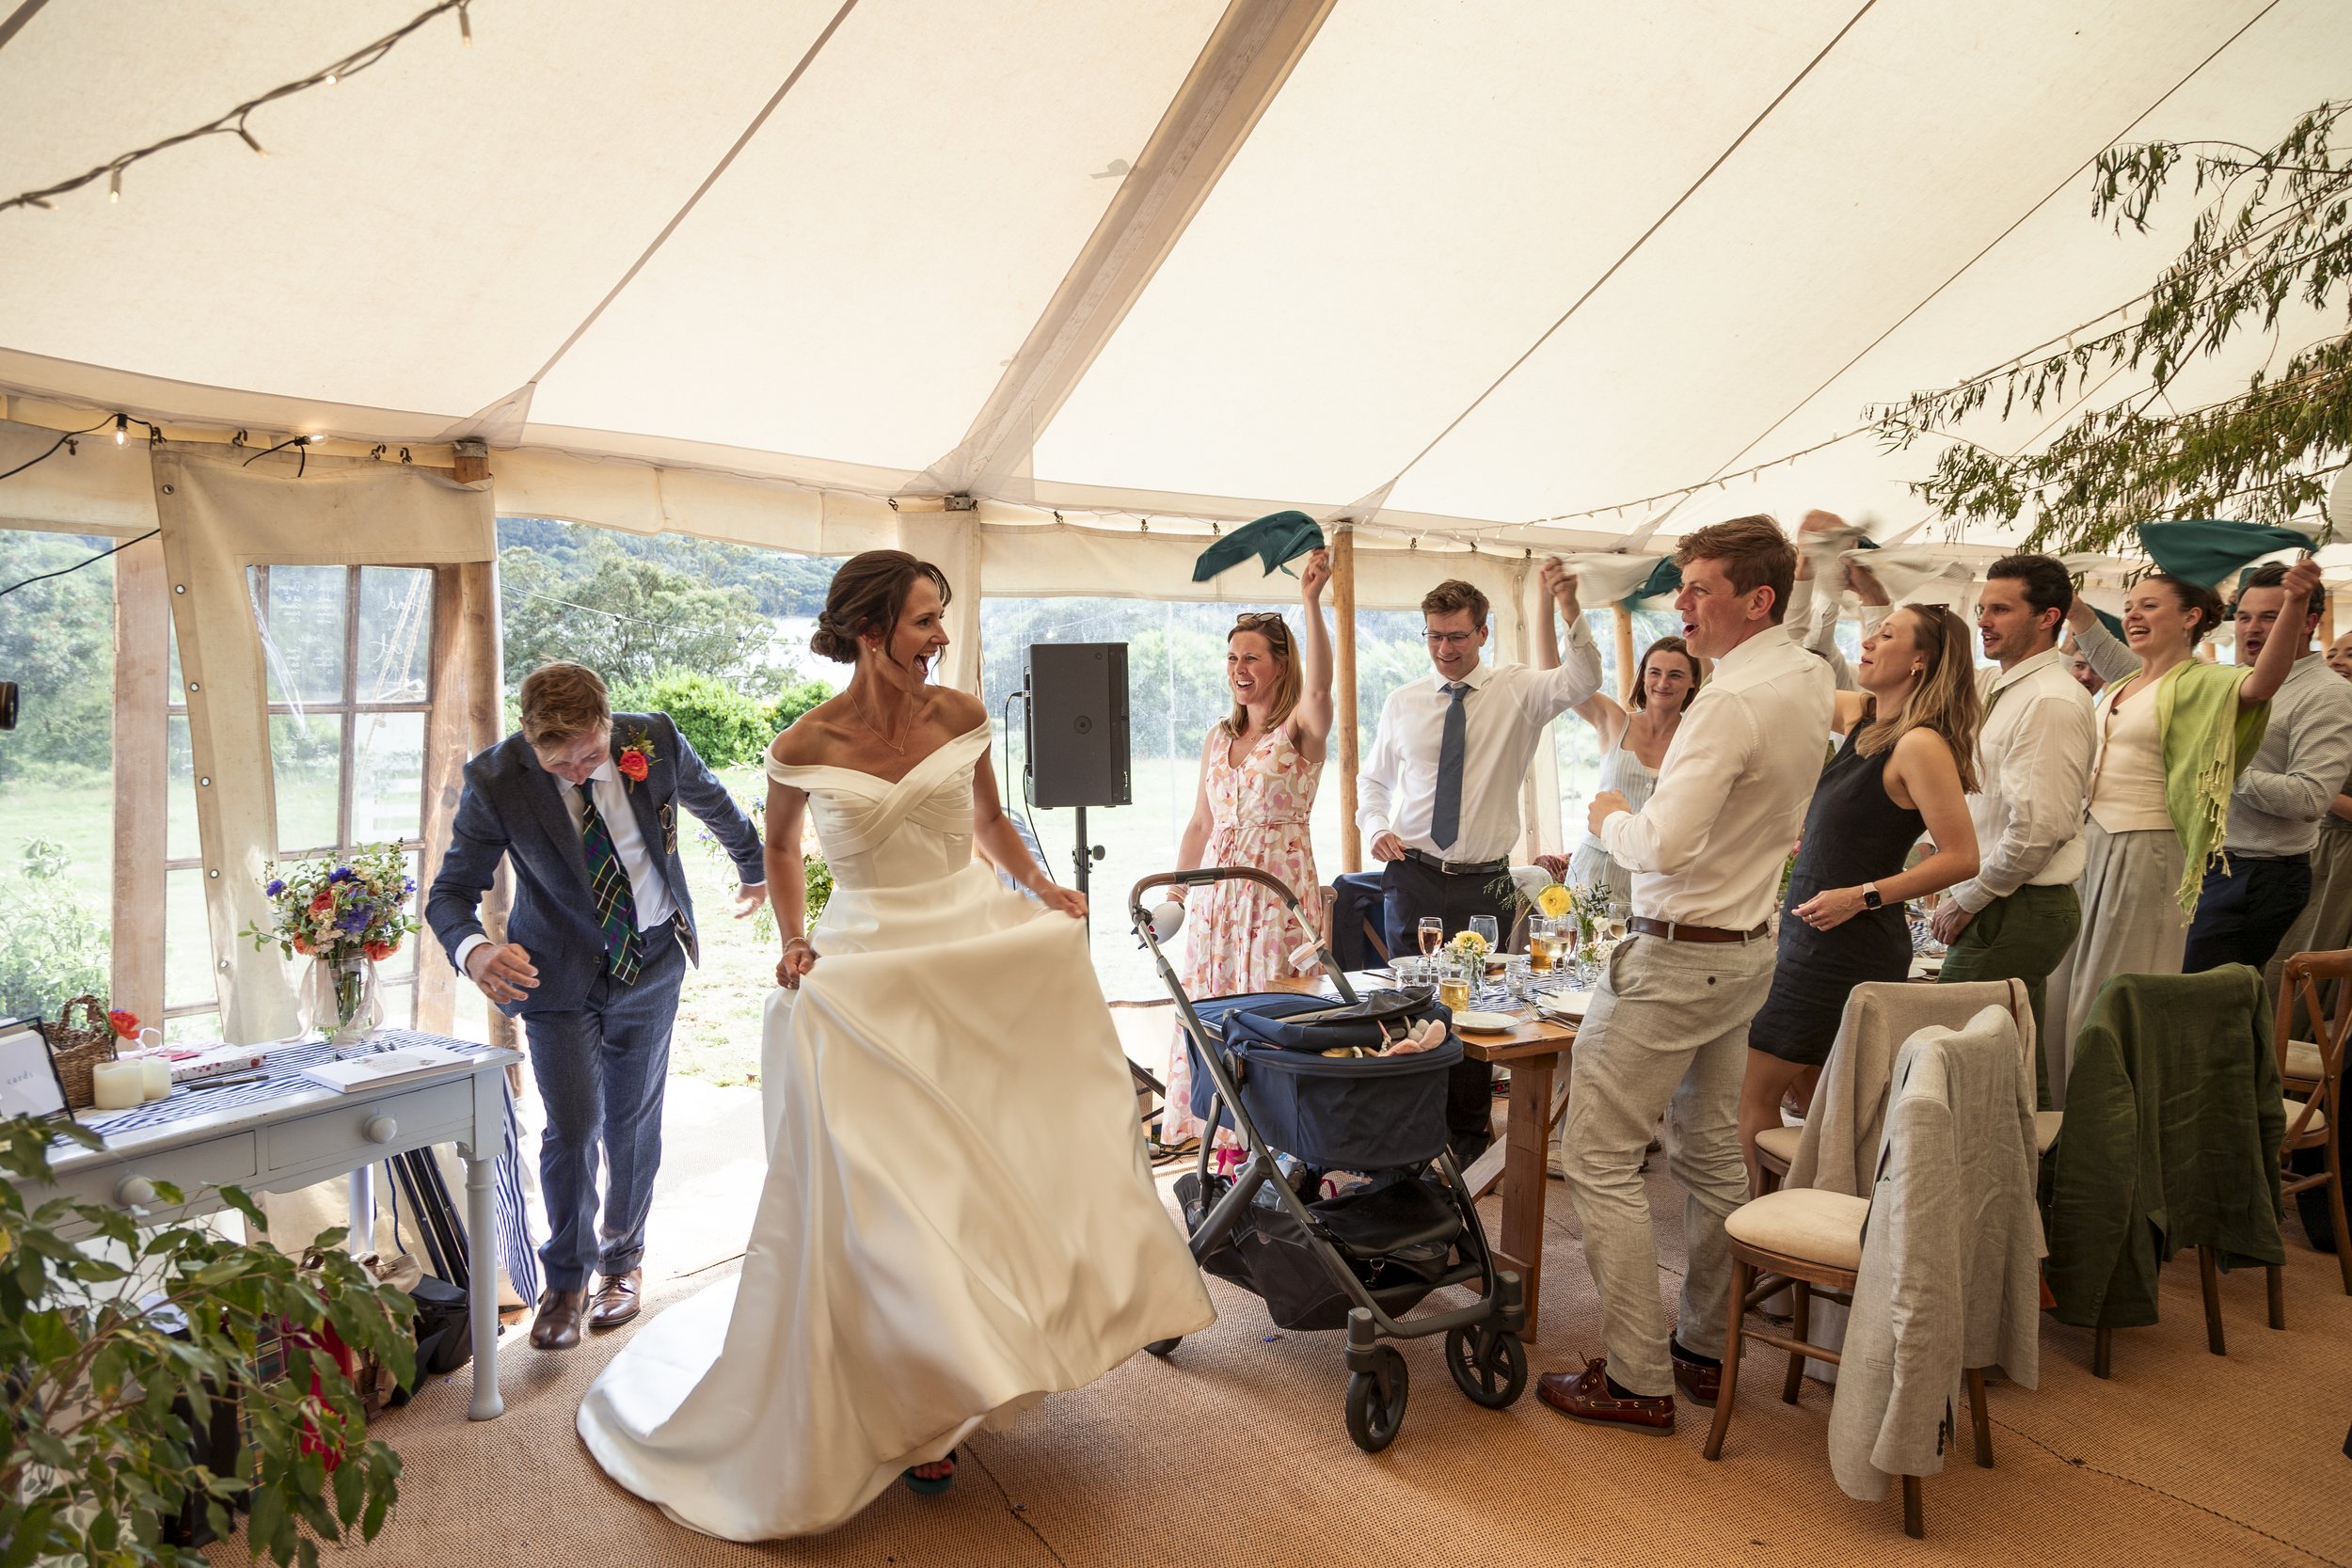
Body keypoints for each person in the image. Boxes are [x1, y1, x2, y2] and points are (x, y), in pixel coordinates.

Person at [577, 551, 1212, 1540]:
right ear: (870, 630)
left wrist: (1041, 891)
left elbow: (991, 822)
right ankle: (921, 1403)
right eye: (923, 619)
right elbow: (781, 846)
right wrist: (794, 934)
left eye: (940, 619)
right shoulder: (804, 739)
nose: (938, 636)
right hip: (871, 968)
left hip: (972, 952)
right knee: (898, 1193)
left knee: (995, 1163)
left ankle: (1013, 1340)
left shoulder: (960, 715)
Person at [1541, 515, 1835, 1435]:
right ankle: (1705, 1345)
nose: (1681, 604)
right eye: (1682, 585)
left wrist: (1603, 814)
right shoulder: (1809, 673)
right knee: (1709, 1152)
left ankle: (1635, 1373)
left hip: (1676, 950)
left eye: (1698, 587)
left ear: (1757, 599)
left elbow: (1660, 842)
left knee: (1594, 1150)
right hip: (1746, 947)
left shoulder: (1730, 700)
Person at [427, 662, 767, 1350]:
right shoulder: (497, 781)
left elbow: (714, 802)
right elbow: (448, 894)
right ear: (530, 740)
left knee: (633, 1124)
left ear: (608, 723)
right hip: (553, 975)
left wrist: (755, 866)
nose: (581, 771)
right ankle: (564, 1282)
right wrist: (477, 952)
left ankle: (623, 1262)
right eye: (562, 762)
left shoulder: (657, 740)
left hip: (652, 961)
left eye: (591, 753)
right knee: (574, 1127)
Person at [1738, 518, 1981, 1195]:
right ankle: (1825, 1237)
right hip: (1810, 929)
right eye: (1871, 633)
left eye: (1885, 636)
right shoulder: (1867, 721)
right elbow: (1789, 665)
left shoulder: (1921, 745)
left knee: (1753, 1089)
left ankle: (1755, 1239)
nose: (1867, 643)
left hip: (1845, 939)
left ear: (1921, 661)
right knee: (1820, 1102)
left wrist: (1862, 895)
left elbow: (1962, 856)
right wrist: (1815, 564)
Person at [1358, 567, 1603, 1161]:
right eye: (1435, 636)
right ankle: (1410, 1135)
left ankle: (1467, 1137)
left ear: (1483, 633)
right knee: (1409, 1004)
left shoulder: (1520, 691)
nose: (1445, 649)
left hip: (1483, 882)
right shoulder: (1403, 702)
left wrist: (1569, 609)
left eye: (1458, 637)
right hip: (1411, 876)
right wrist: (1376, 827)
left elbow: (1583, 677)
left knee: (1473, 1011)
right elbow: (1372, 780)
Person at [2042, 559, 2319, 1084]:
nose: (2133, 615)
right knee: (2064, 985)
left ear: (2192, 617)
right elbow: (2099, 646)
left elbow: (2263, 684)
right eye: (2128, 607)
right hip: (2089, 845)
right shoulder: (2124, 681)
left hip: (2146, 846)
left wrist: (2297, 603)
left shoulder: (2205, 681)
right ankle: (2061, 1117)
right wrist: (2073, 605)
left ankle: (2110, 1120)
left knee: (2112, 989)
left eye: (2149, 606)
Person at [1160, 549, 1336, 1148]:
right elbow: (1200, 823)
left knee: (1271, 1027)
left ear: (1279, 666)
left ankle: (1282, 1162)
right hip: (1216, 906)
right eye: (1232, 657)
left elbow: (1321, 685)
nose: (1238, 667)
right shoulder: (1218, 736)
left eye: (1252, 657)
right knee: (1214, 1020)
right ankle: (1230, 1157)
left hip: (1275, 902)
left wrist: (1310, 602)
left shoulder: (1301, 730)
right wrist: (1177, 895)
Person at [1928, 554, 2098, 1109]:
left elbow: (2040, 829)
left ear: (2048, 617)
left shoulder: (2050, 699)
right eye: (1982, 609)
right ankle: (2041, 1191)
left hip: (2018, 903)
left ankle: (1963, 1187)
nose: (1985, 621)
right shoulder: (2004, 688)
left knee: (1945, 1054)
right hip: (2010, 899)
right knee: (2016, 1059)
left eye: (2001, 609)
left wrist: (1969, 898)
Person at [2173, 563, 2352, 974]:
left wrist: (2222, 770)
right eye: (2244, 616)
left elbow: (2310, 797)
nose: (2251, 628)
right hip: (2208, 862)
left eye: (2269, 616)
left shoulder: (2328, 694)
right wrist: (2080, 614)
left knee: (2205, 1002)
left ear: (2307, 621)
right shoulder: (2233, 679)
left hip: (2259, 874)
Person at [1561, 637, 1702, 908]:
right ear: (1643, 676)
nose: (1663, 683)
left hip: (1658, 882)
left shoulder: (1695, 738)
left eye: (1676, 675)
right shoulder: (1614, 720)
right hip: (1596, 872)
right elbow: (1561, 678)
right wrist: (1550, 603)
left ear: (1693, 681)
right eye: (1655, 672)